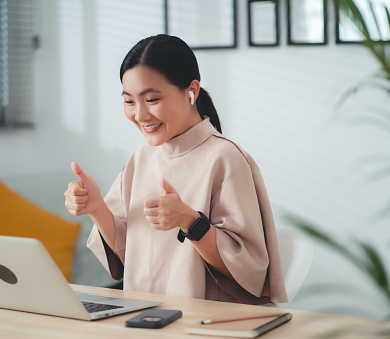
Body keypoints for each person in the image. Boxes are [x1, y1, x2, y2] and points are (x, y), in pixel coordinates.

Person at [64, 34, 287, 305]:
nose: (140, 115)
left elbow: (249, 271)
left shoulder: (226, 159)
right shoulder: (140, 157)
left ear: (191, 91)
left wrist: (191, 223)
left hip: (205, 324)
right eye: (129, 101)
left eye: (152, 99)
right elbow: (128, 254)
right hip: (143, 317)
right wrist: (97, 207)